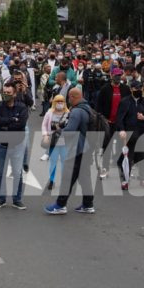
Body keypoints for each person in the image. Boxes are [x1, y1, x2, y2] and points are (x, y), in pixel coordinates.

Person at [44, 87, 96, 215]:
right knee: (85, 177)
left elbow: (70, 131)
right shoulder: (88, 108)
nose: (68, 100)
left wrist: (58, 131)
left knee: (68, 177)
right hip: (87, 147)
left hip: (76, 149)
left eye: (69, 98)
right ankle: (88, 204)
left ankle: (60, 205)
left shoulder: (77, 111)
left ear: (73, 97)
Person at [0, 82, 29, 209]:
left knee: (18, 173)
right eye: (4, 92)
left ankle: (17, 199)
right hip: (2, 144)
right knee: (0, 173)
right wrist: (13, 120)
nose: (6, 94)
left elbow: (21, 124)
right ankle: (1, 199)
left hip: (17, 145)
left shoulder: (22, 107)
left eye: (9, 93)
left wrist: (5, 125)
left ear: (15, 94)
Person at [41, 94, 70, 191]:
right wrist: (45, 135)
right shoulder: (49, 112)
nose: (60, 103)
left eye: (62, 101)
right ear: (54, 102)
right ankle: (52, 180)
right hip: (53, 141)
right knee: (53, 161)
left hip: (64, 141)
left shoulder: (68, 113)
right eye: (58, 101)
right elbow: (44, 125)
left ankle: (64, 181)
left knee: (64, 162)